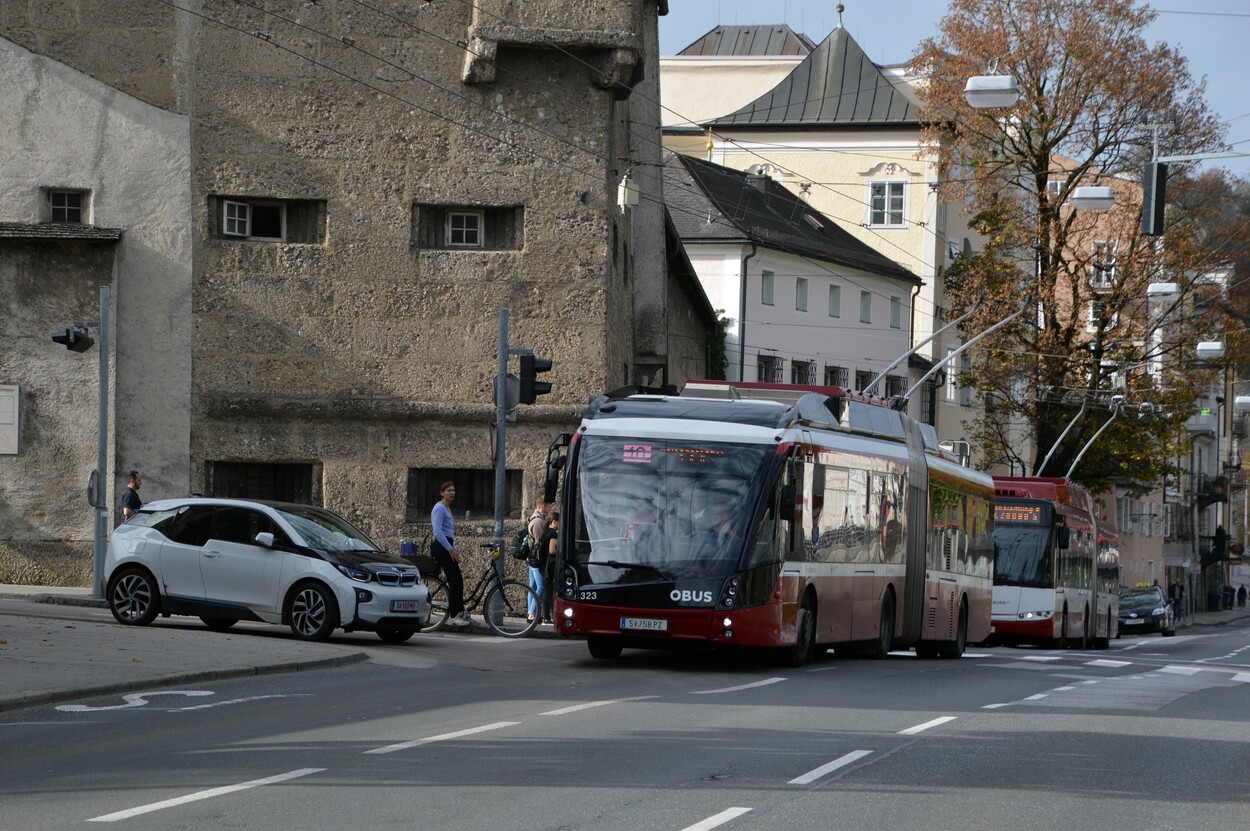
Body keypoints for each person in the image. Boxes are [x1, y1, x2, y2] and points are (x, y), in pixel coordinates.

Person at [431, 482, 470, 627]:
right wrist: (450, 549)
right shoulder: (440, 508)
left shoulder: (447, 508)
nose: (452, 493)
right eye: (448, 490)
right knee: (455, 580)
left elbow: (448, 532)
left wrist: (453, 549)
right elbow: (438, 532)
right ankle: (453, 616)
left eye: (453, 490)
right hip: (441, 546)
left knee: (457, 579)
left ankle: (459, 610)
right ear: (442, 493)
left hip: (446, 545)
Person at [526, 500, 550, 623]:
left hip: (531, 558)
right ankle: (532, 613)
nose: (550, 508)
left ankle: (530, 613)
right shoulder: (538, 521)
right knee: (540, 586)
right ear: (542, 506)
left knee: (533, 586)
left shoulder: (533, 518)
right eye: (548, 506)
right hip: (536, 559)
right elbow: (540, 542)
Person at [538, 511, 559, 624]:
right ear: (554, 521)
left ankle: (548, 616)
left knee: (548, 591)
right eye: (559, 522)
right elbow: (552, 550)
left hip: (544, 565)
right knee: (549, 592)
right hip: (549, 566)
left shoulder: (546, 532)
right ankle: (547, 617)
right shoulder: (553, 533)